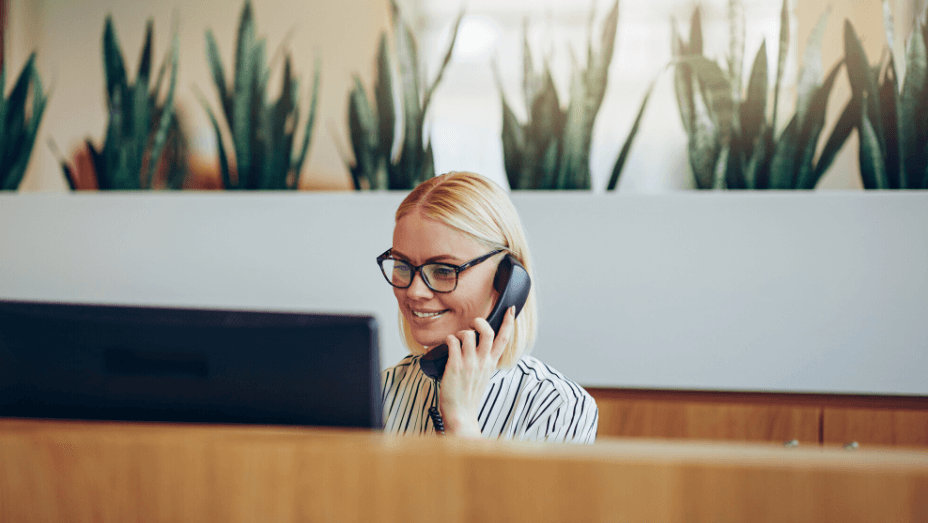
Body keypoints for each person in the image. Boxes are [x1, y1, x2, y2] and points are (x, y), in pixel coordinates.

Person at [378, 171, 598, 443]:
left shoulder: (558, 409)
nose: (414, 291)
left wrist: (461, 421)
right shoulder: (381, 392)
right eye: (402, 265)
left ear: (508, 281)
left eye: (444, 270)